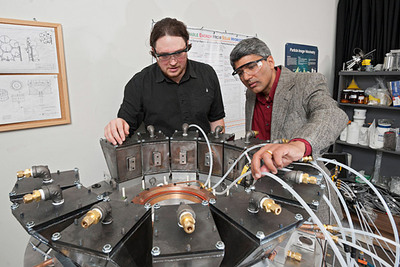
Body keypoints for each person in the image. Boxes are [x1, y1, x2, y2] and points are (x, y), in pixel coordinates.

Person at [229, 37, 348, 179]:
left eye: (251, 67)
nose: (246, 77)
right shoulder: (251, 93)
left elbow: (331, 113)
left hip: (304, 184)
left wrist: (299, 145)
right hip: (265, 181)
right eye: (240, 72)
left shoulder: (306, 82)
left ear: (270, 61)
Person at [104, 18, 225, 145]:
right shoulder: (139, 83)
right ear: (153, 52)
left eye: (179, 53)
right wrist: (117, 126)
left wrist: (216, 156)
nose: (173, 62)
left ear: (187, 45)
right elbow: (124, 127)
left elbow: (216, 121)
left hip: (205, 159)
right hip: (160, 161)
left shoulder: (207, 73)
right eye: (164, 56)